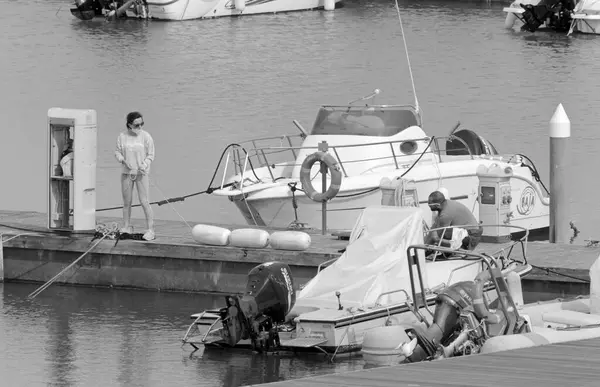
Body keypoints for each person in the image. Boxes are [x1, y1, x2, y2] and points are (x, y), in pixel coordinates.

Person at [115, 111, 156, 241]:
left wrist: (144, 165)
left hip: (141, 173)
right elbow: (117, 151)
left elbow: (151, 154)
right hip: (127, 172)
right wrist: (122, 159)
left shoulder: (146, 136)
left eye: (141, 124)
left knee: (144, 201)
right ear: (129, 125)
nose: (140, 127)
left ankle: (150, 229)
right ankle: (126, 226)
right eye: (137, 125)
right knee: (127, 202)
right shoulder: (122, 136)